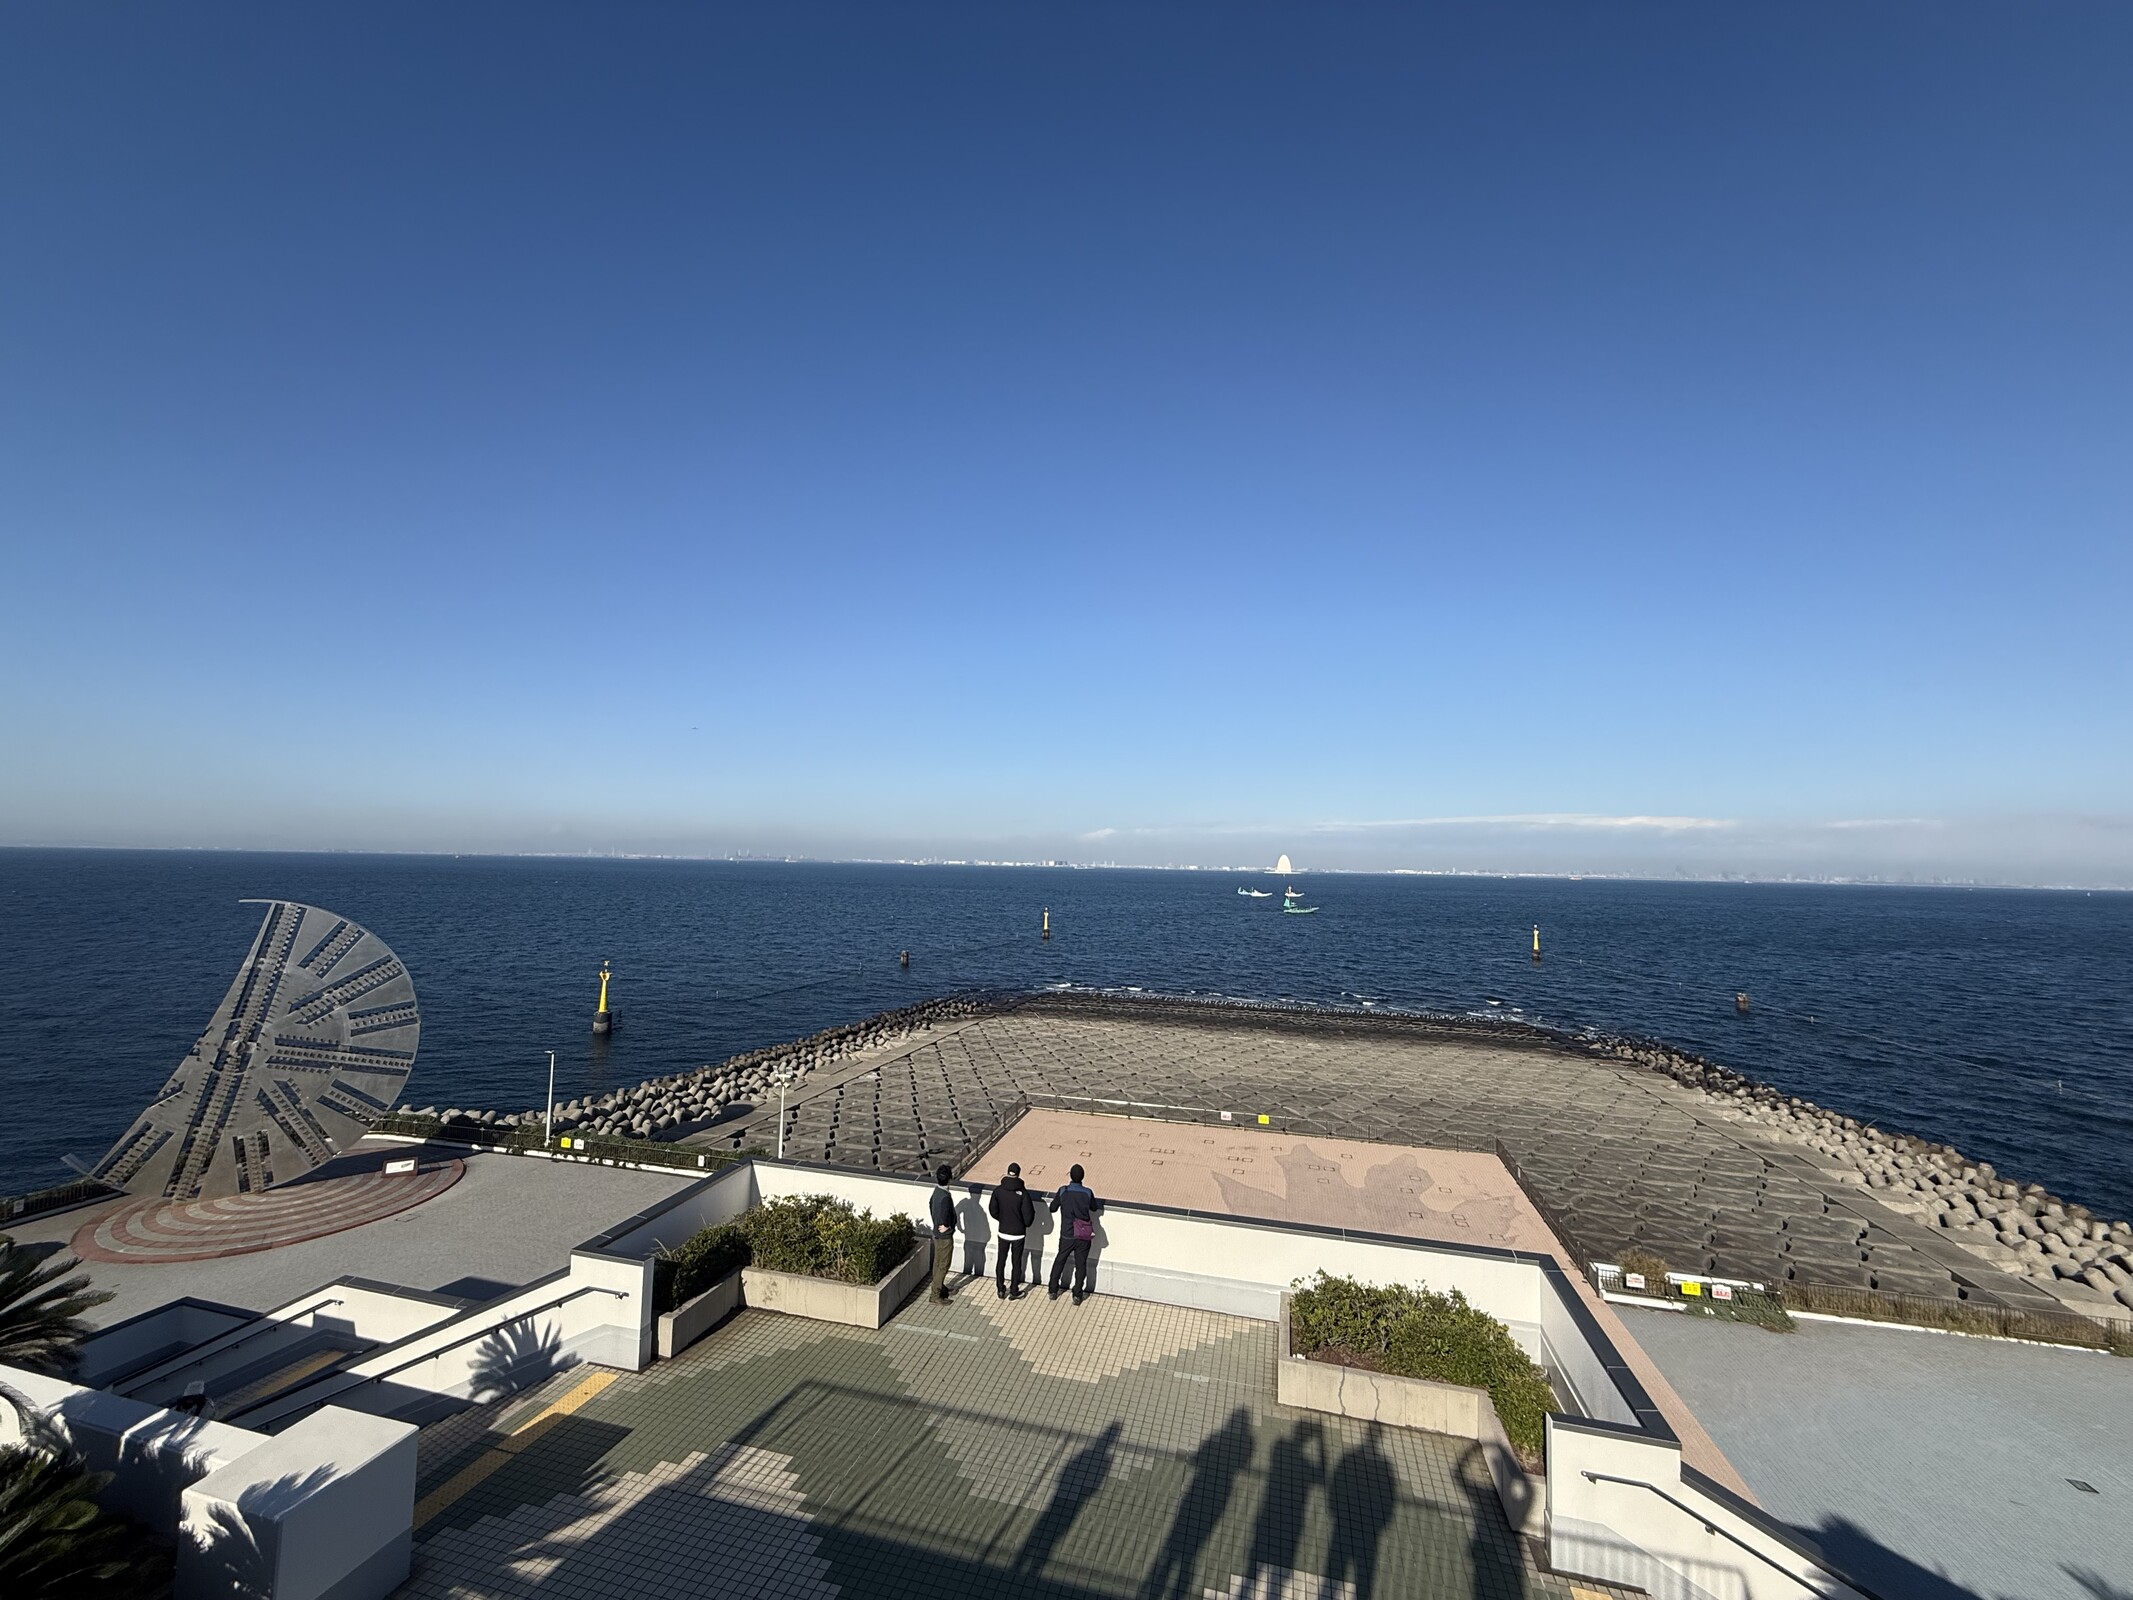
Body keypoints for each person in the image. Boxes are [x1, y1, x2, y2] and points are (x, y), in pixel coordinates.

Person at [1047, 1163, 1103, 1303]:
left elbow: (1052, 1208)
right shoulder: (1087, 1192)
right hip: (1083, 1235)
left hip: (1067, 1233)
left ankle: (1053, 1290)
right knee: (1081, 1264)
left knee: (1060, 1260)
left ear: (1070, 1176)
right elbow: (1094, 1208)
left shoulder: (1063, 1191)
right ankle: (1077, 1294)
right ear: (1082, 1177)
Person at [988, 1162, 1037, 1299]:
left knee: (1001, 1260)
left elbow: (993, 1210)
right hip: (1018, 1233)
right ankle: (1014, 1290)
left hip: (1003, 1231)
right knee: (1016, 1262)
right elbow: (1028, 1218)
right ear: (1018, 1174)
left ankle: (1000, 1288)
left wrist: (1002, 1219)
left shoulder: (998, 1191)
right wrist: (1021, 1223)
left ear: (1007, 1172)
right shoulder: (1023, 1194)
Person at [928, 1163, 957, 1302]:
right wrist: (947, 1225)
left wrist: (937, 1223)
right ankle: (935, 1293)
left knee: (937, 1262)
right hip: (944, 1236)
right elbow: (947, 1215)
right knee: (944, 1264)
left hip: (936, 1233)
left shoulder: (936, 1192)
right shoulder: (945, 1197)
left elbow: (930, 1204)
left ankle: (938, 1285)